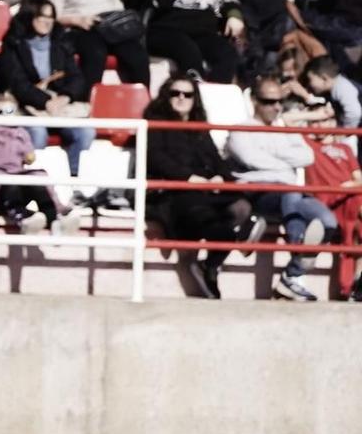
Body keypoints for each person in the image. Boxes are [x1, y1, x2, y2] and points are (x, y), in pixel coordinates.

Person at [143, 74, 260, 300]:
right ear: (166, 97)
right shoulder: (156, 125)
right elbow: (156, 159)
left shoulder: (200, 128)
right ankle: (219, 260)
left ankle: (216, 260)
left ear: (194, 99)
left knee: (241, 202)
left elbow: (217, 161)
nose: (181, 98)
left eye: (187, 94)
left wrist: (219, 178)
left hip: (204, 191)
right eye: (174, 93)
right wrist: (188, 178)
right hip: (174, 193)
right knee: (215, 223)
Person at [227, 76, 336, 301]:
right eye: (269, 101)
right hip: (258, 192)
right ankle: (298, 259)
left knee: (327, 221)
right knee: (290, 190)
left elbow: (306, 156)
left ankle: (290, 276)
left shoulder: (284, 129)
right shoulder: (240, 129)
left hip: (289, 194)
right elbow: (250, 159)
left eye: (279, 101)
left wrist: (271, 152)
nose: (276, 107)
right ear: (254, 100)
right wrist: (286, 158)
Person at [0, 0, 95, 179]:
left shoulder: (60, 45)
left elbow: (77, 78)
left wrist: (64, 97)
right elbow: (17, 82)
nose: (47, 22)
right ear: (30, 16)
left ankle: (73, 180)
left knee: (85, 132)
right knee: (37, 132)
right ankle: (32, 183)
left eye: (51, 17)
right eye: (42, 16)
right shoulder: (13, 45)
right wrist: (45, 101)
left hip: (58, 107)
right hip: (26, 106)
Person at [0, 90, 57, 233]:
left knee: (38, 178)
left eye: (9, 111)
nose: (4, 116)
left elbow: (29, 153)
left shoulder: (21, 132)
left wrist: (29, 156)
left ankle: (55, 218)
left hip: (18, 172)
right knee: (6, 183)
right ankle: (9, 214)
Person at [302, 100, 362, 301]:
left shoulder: (345, 148)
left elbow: (359, 179)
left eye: (324, 120)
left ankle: (354, 285)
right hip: (331, 201)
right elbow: (286, 122)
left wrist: (347, 187)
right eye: (315, 121)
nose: (319, 126)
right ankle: (355, 285)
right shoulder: (307, 145)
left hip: (353, 196)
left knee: (357, 232)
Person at [303, 54, 360, 131]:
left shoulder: (342, 87)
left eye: (311, 79)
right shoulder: (336, 89)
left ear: (324, 78)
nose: (310, 84)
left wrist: (344, 132)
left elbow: (354, 113)